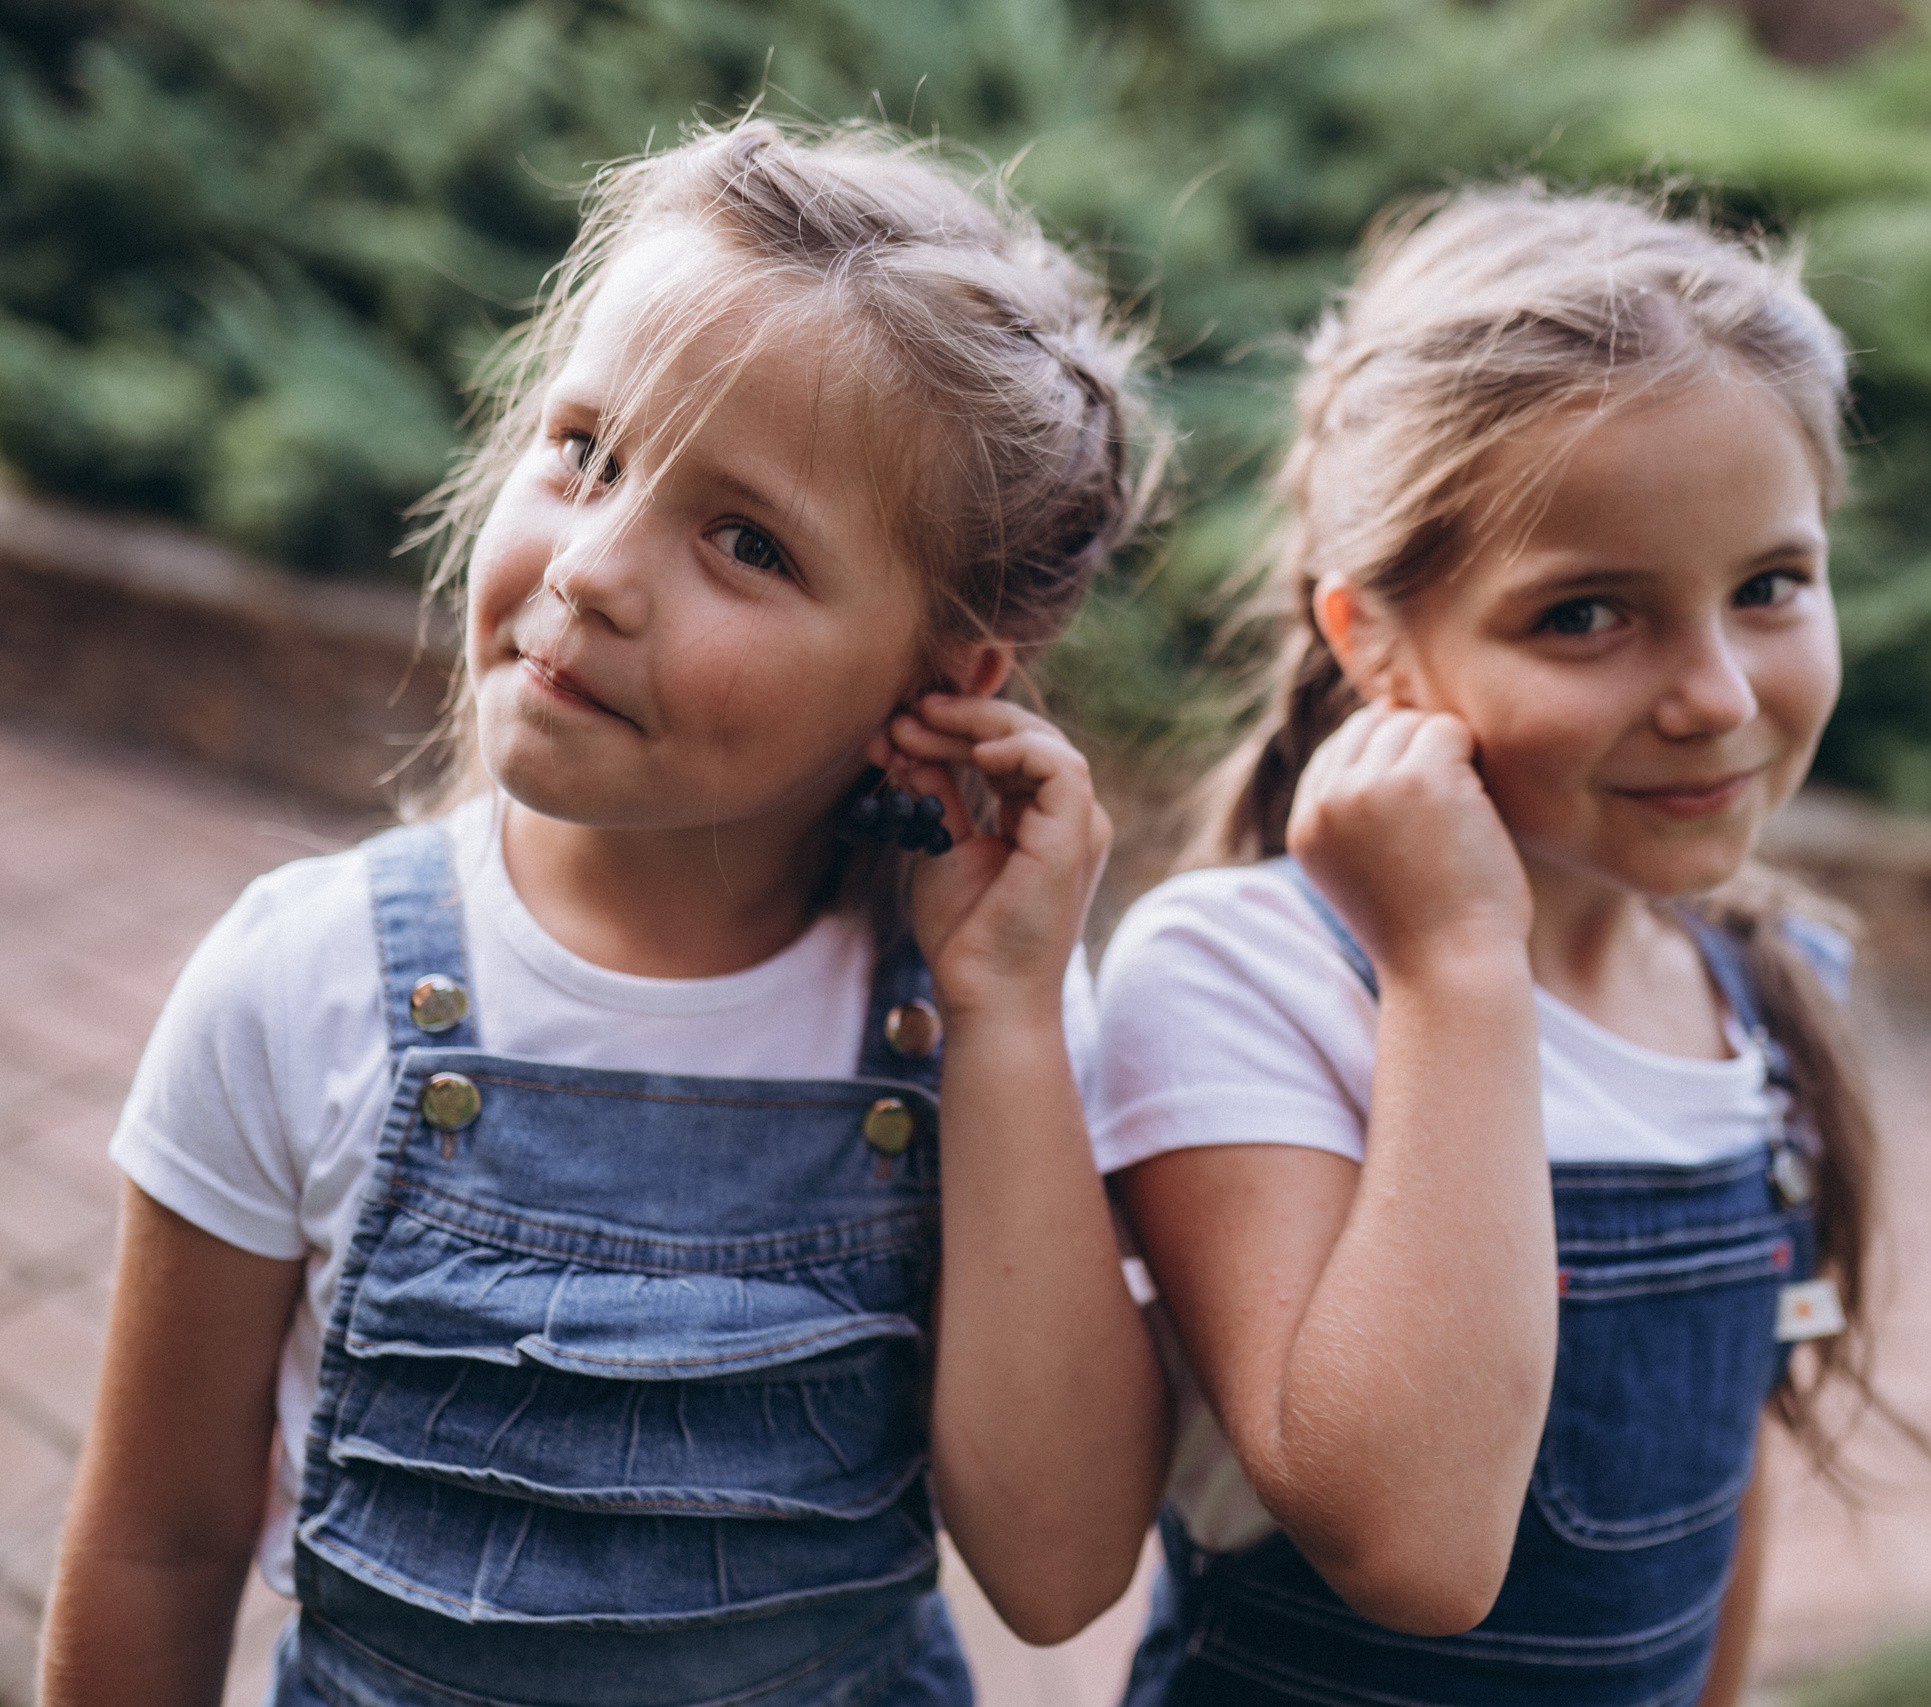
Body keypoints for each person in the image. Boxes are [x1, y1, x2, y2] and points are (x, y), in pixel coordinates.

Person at [42, 118, 1168, 1707]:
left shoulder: (982, 1024)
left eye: (747, 542)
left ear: (942, 681)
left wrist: (999, 1016)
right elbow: (156, 1548)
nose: (593, 570)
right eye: (587, 450)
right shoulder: (299, 987)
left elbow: (1058, 1580)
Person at [1093, 185, 1884, 1707]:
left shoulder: (1766, 991)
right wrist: (1457, 964)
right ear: (1371, 640)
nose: (1716, 692)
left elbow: (1728, 1490)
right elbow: (1417, 1544)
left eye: (1770, 586)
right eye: (1589, 614)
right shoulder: (1245, 977)